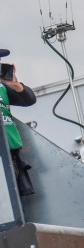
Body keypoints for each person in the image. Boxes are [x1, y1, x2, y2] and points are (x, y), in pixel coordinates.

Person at [1, 49, 37, 196]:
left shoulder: (2, 88)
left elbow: (29, 99)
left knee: (16, 208)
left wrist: (16, 86)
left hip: (10, 154)